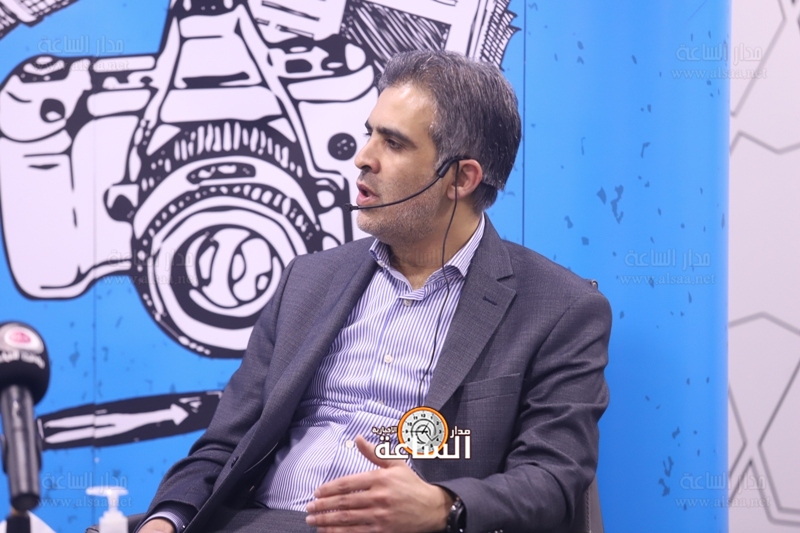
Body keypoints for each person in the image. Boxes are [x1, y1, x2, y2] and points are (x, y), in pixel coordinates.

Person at [138, 50, 611, 533]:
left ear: (462, 178)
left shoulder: (559, 309)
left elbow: (552, 479)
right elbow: (224, 446)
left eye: (394, 143)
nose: (363, 157)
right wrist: (166, 520)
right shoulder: (308, 280)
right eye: (370, 134)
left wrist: (444, 506)